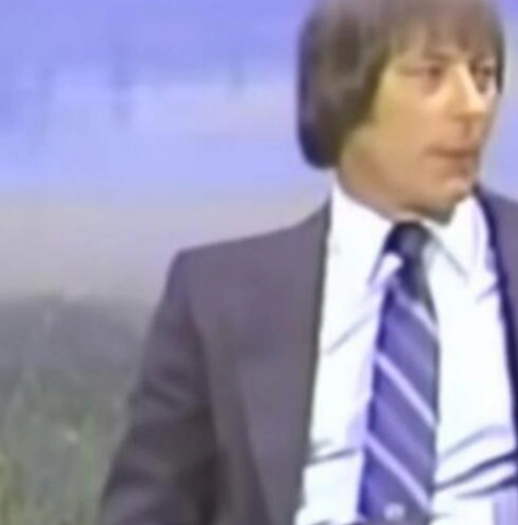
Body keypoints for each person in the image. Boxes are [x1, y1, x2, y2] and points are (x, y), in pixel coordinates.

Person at [100, 0, 518, 523]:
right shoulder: (216, 302)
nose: (473, 106)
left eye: (484, 76)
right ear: (345, 93)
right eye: (432, 75)